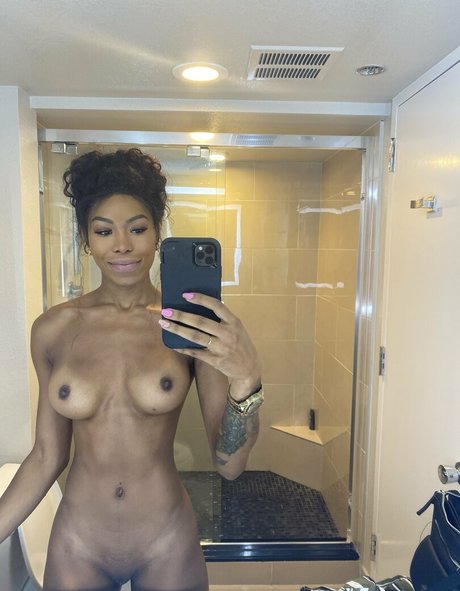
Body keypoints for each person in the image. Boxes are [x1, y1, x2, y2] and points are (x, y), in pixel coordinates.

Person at [0, 148, 263, 591]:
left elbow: (230, 466)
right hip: (78, 544)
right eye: (104, 231)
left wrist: (247, 378)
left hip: (166, 542)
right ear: (86, 238)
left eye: (138, 228)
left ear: (158, 233)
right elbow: (46, 457)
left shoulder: (190, 328)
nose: (122, 244)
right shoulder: (53, 330)